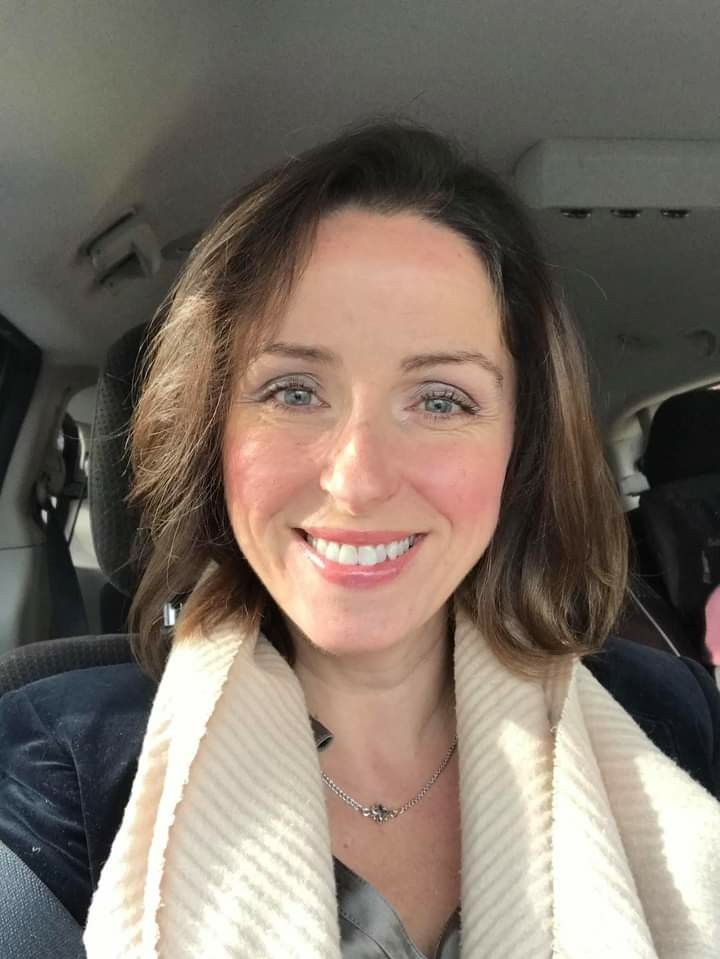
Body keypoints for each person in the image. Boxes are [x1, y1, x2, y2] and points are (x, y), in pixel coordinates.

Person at [1, 122, 720, 959]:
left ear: (519, 446)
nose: (358, 479)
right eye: (294, 390)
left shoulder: (672, 714)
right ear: (212, 432)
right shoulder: (54, 759)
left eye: (441, 400)